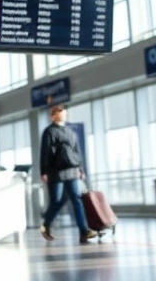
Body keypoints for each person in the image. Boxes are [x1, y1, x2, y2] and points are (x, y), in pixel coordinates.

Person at [38, 104, 98, 243]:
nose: (63, 114)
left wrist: (81, 168)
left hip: (71, 170)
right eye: (60, 112)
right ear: (53, 115)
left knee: (77, 199)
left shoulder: (71, 132)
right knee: (56, 201)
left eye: (64, 112)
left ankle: (84, 231)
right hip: (55, 171)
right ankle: (46, 224)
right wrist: (44, 171)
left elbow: (77, 152)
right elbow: (45, 153)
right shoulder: (49, 131)